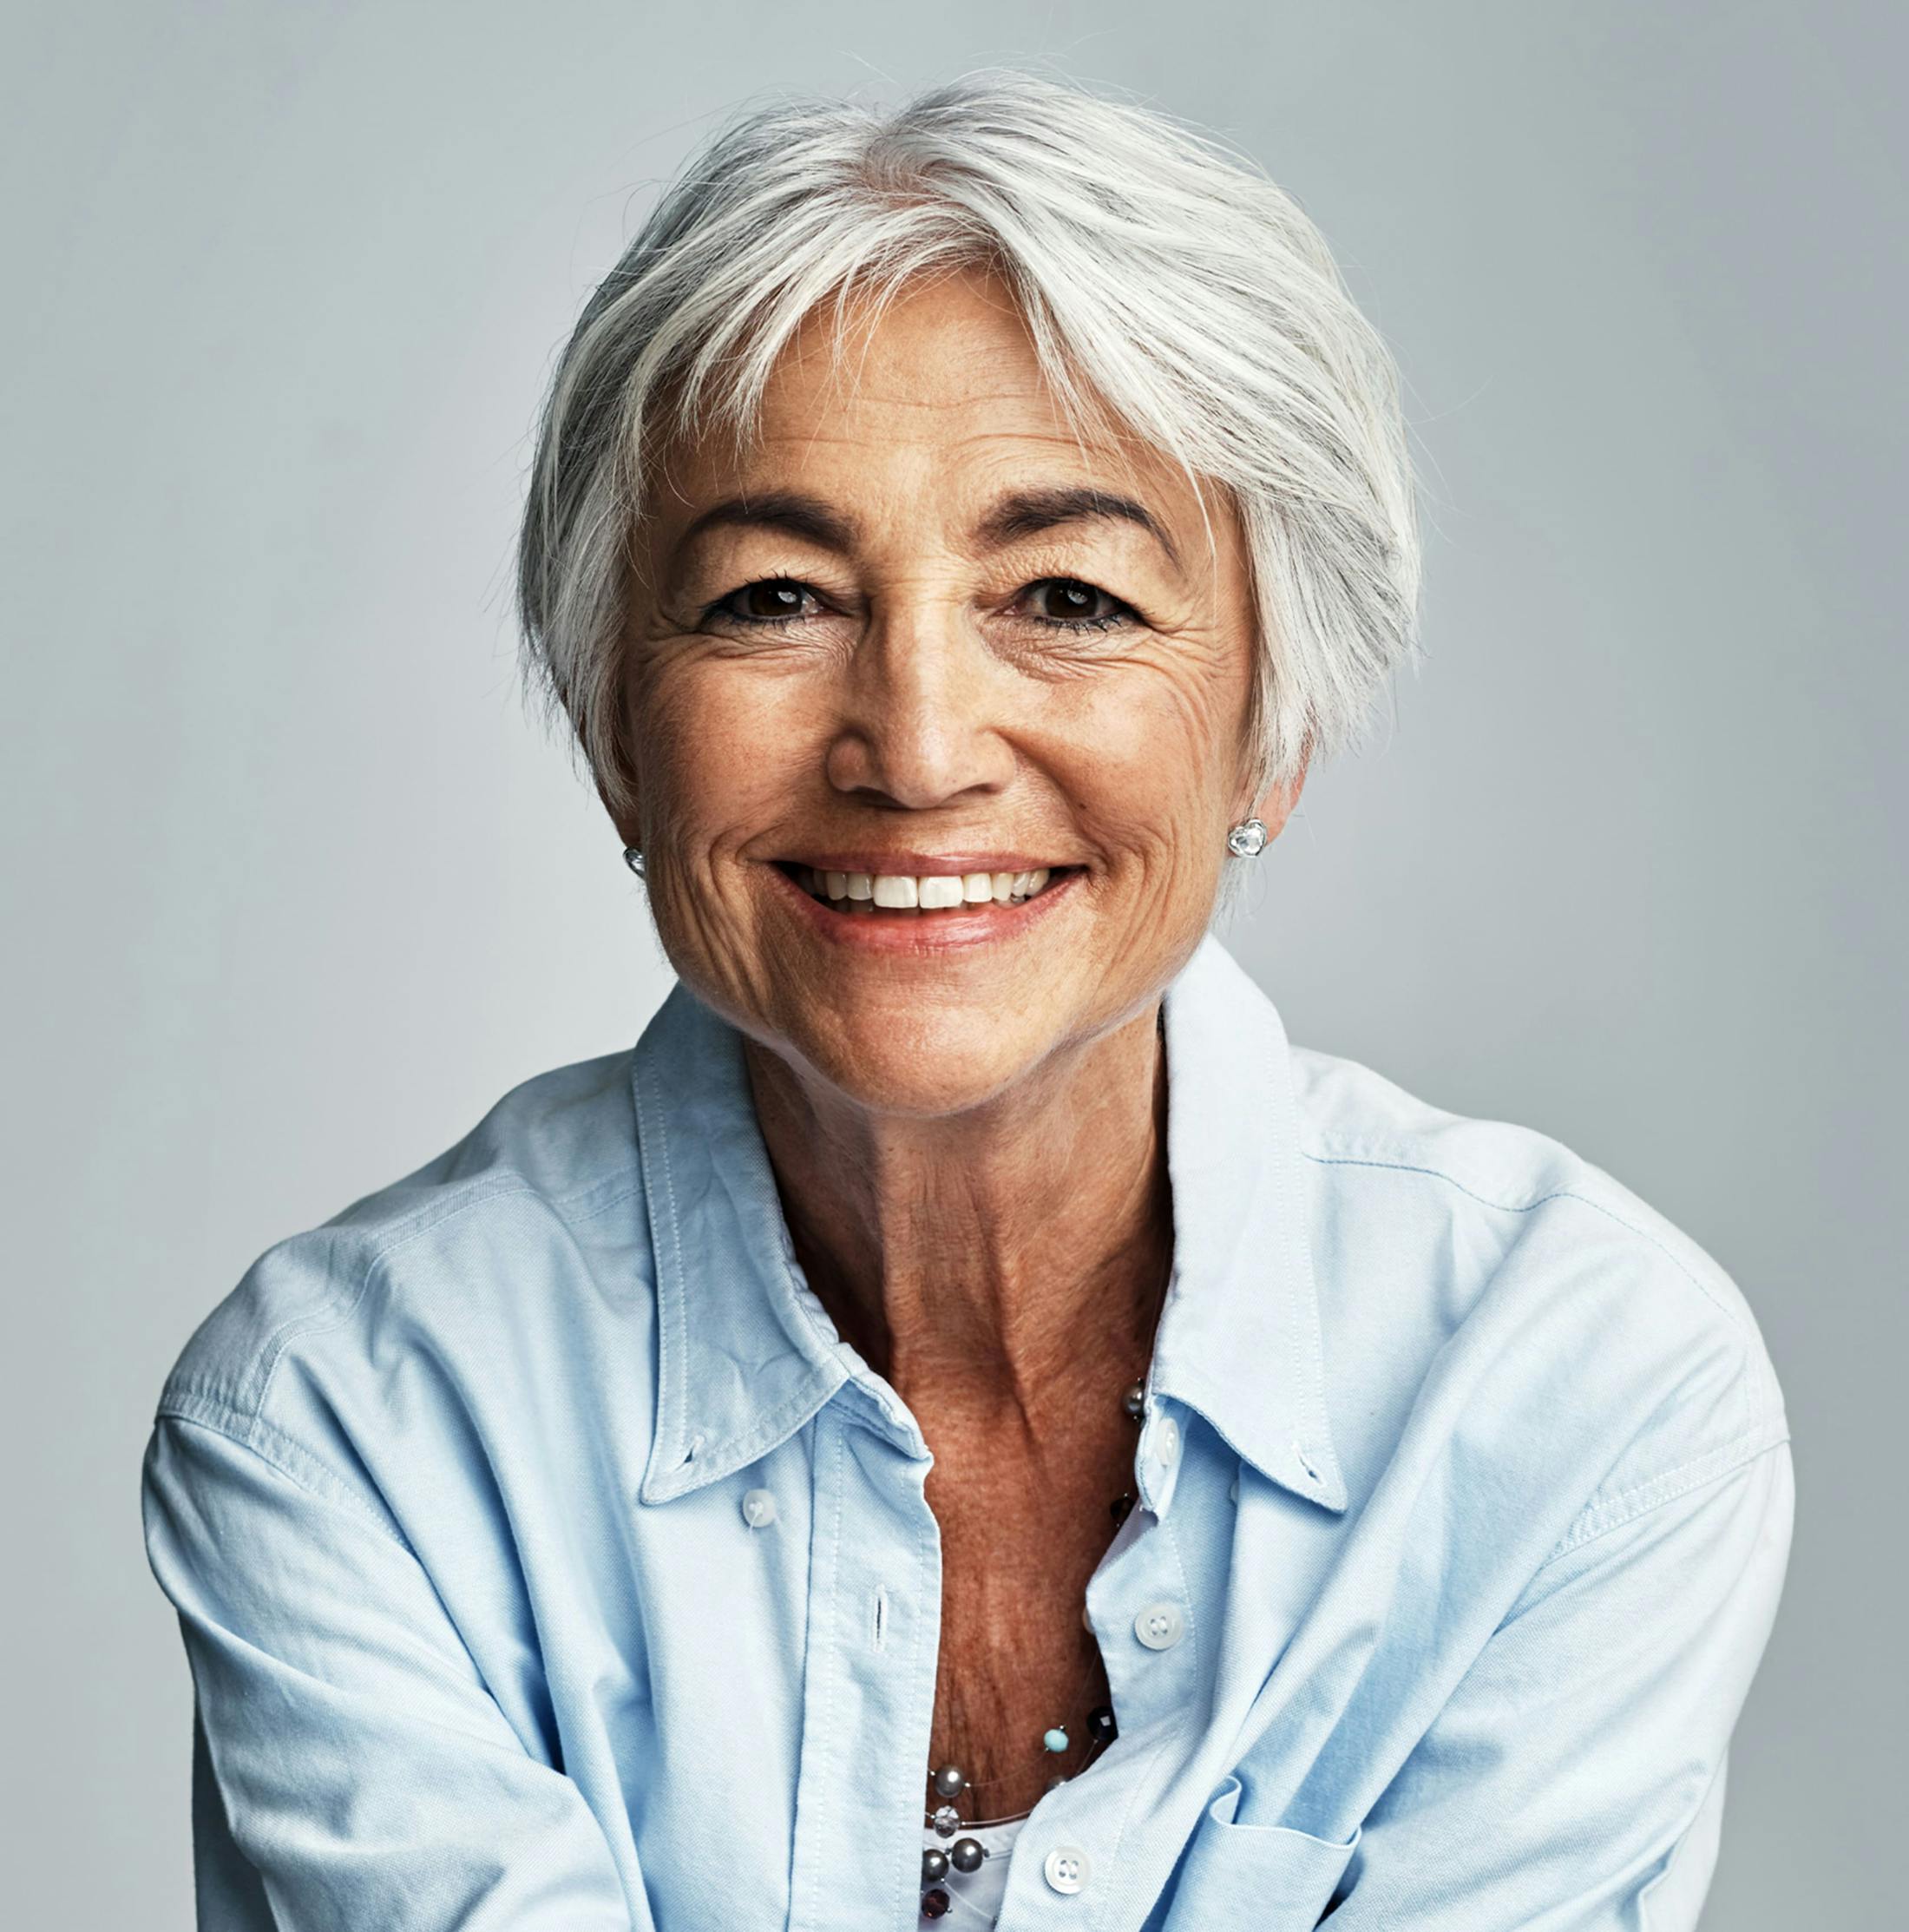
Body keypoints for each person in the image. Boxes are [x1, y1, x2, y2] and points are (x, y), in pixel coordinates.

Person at [141, 72, 1792, 1932]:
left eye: (1068, 598)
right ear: (617, 730)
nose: (917, 749)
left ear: (1277, 722)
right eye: (772, 597)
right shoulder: (354, 1429)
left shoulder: (1566, 1393)